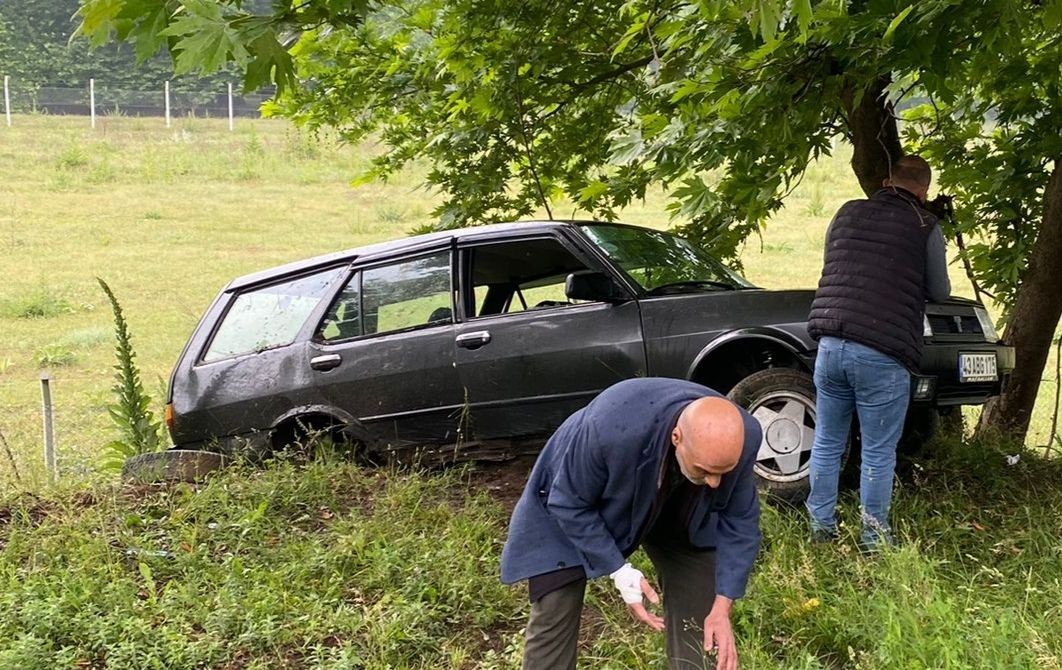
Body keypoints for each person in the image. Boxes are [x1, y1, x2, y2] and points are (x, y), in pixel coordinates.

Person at [500, 377, 762, 670]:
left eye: (723, 472)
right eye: (707, 470)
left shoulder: (743, 436)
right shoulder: (608, 430)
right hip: (577, 496)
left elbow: (740, 520)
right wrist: (618, 569)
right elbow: (568, 502)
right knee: (555, 605)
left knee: (702, 599)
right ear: (677, 437)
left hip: (679, 500)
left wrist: (723, 605)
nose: (715, 483)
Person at [806, 154, 951, 550]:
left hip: (830, 344)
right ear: (923, 190)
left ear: (887, 181)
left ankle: (820, 530)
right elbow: (939, 292)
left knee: (827, 443)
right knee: (878, 452)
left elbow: (835, 264)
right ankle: (873, 540)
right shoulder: (925, 224)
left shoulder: (847, 212)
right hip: (882, 352)